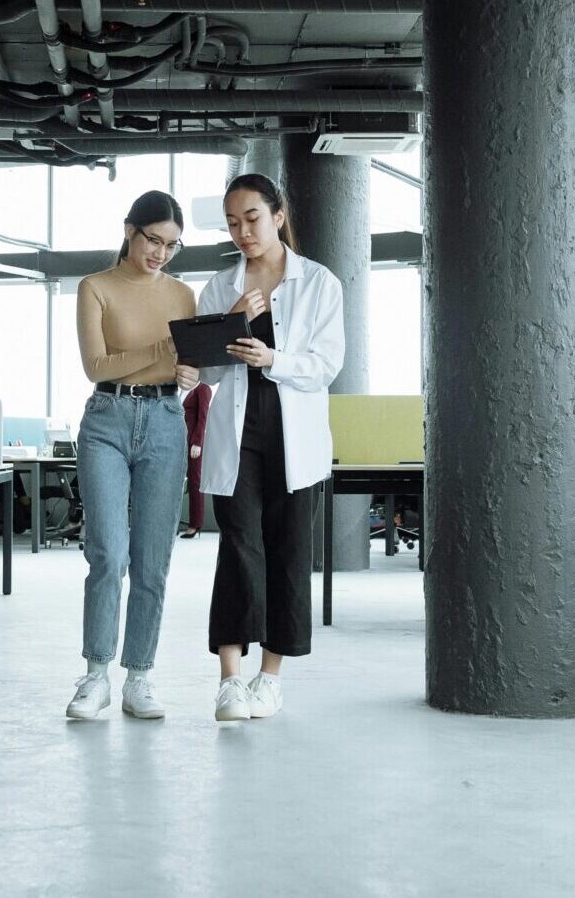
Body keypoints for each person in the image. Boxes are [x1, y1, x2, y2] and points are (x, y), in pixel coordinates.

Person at [196, 173, 345, 721]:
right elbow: (206, 370)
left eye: (252, 218)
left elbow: (327, 365)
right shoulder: (221, 286)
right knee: (238, 546)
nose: (243, 232)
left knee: (287, 552)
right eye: (233, 223)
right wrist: (232, 320)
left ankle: (270, 678)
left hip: (294, 435)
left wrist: (273, 360)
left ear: (278, 216)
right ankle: (230, 680)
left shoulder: (319, 282)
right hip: (238, 434)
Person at [66, 190, 200, 720]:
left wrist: (188, 372)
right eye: (153, 240)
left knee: (152, 560)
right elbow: (97, 366)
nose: (160, 253)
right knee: (107, 553)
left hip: (166, 420)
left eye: (171, 245)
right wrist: (164, 351)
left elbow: (189, 366)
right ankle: (96, 675)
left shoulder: (183, 295)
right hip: (107, 420)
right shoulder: (95, 287)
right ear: (129, 231)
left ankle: (138, 678)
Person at [180, 382, 212, 538]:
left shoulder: (203, 388)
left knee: (195, 482)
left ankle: (195, 524)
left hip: (193, 443)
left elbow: (203, 417)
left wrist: (197, 442)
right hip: (177, 441)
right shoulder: (181, 389)